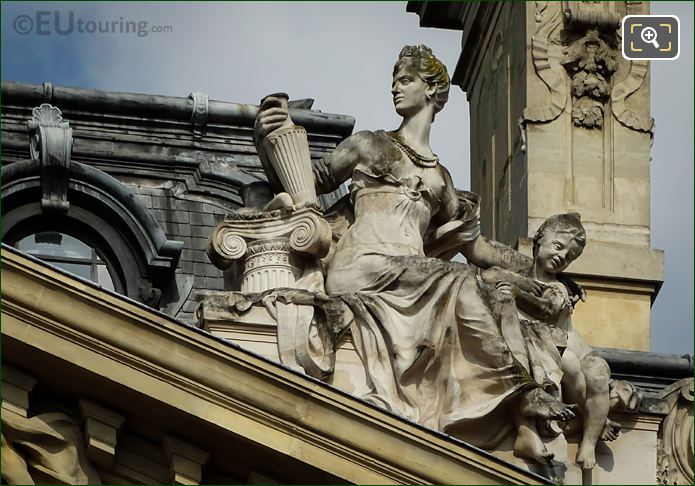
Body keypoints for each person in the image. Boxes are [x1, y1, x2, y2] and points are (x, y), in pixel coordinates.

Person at [254, 45, 577, 459]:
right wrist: (268, 137)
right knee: (459, 279)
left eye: (405, 80)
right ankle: (521, 392)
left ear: (432, 90)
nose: (395, 89)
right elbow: (308, 181)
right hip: (363, 265)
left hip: (413, 273)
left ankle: (521, 419)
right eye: (394, 80)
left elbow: (476, 249)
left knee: (493, 293)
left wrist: (533, 271)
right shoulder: (369, 145)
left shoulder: (441, 179)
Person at [483, 213, 617, 469]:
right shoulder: (521, 273)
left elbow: (545, 309)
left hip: (571, 346)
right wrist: (515, 280)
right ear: (540, 238)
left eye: (568, 257)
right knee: (567, 369)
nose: (561, 257)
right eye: (558, 247)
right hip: (550, 346)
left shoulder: (559, 288)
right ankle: (587, 417)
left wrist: (514, 290)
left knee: (597, 373)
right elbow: (488, 273)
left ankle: (590, 439)